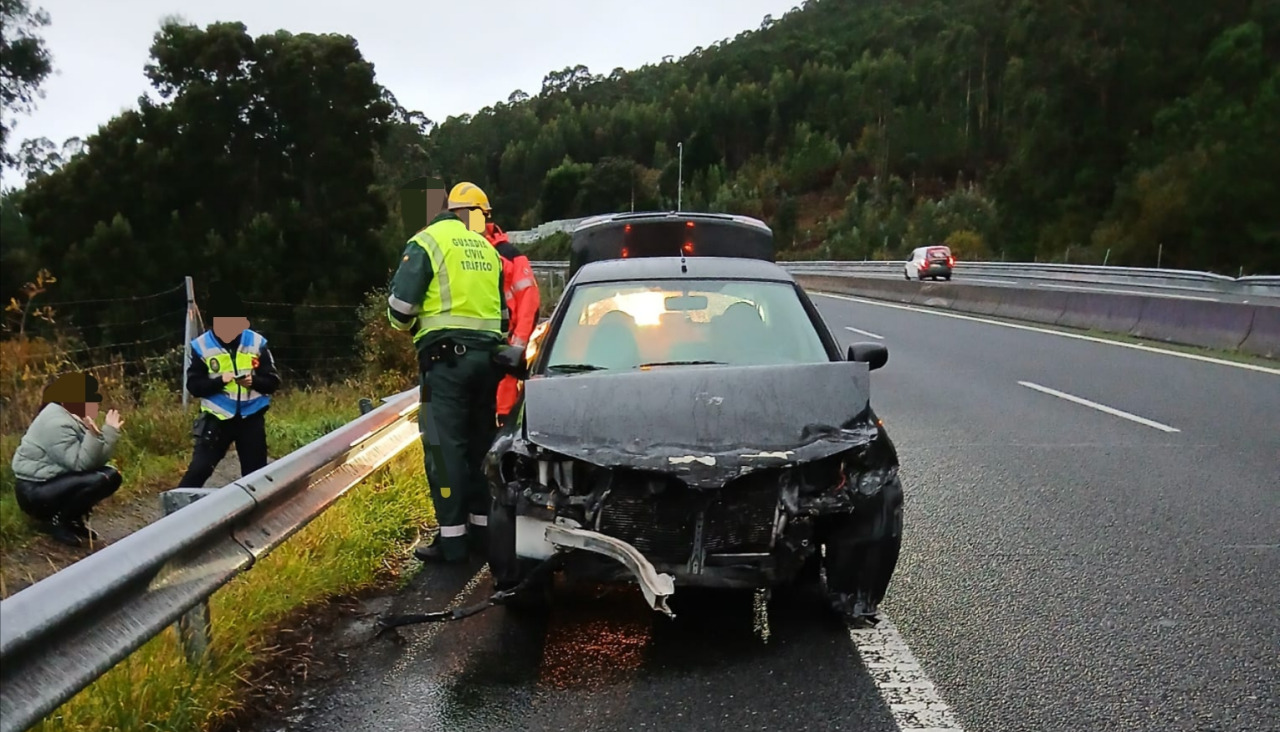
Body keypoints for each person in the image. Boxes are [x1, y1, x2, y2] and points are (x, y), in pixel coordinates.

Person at [388, 176, 506, 563]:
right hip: (487, 363)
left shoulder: (427, 241)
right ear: (471, 215)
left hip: (444, 363)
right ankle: (484, 533)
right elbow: (501, 316)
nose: (487, 224)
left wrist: (408, 326)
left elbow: (400, 310)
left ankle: (453, 542)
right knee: (480, 445)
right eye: (484, 217)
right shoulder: (488, 252)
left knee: (445, 450)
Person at [446, 182, 541, 426]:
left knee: (498, 427)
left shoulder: (509, 256)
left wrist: (514, 350)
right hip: (466, 359)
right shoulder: (455, 253)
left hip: (502, 359)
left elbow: (529, 305)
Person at [178, 287, 281, 487]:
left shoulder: (257, 343)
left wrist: (254, 382)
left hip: (251, 418)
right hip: (217, 419)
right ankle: (177, 513)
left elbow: (273, 382)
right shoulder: (202, 346)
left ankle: (256, 517)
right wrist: (220, 381)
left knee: (256, 478)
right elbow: (194, 386)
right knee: (198, 471)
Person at [10, 372, 125, 546]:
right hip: (35, 491)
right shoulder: (56, 423)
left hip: (53, 483)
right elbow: (81, 465)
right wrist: (94, 434)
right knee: (103, 478)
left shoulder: (73, 417)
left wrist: (109, 432)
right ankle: (59, 522)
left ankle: (72, 520)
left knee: (110, 475)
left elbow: (95, 461)